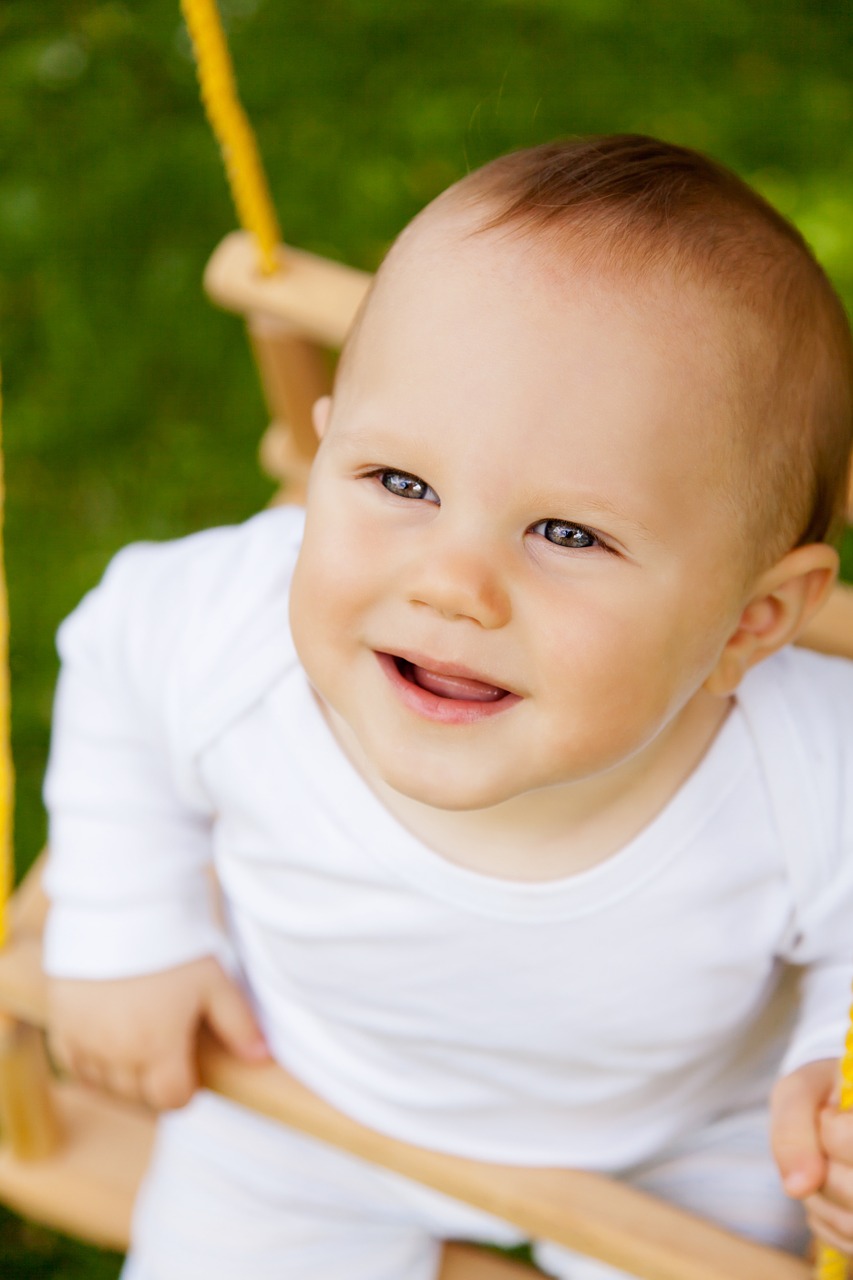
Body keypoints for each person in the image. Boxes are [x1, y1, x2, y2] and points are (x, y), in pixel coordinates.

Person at [43, 134, 853, 1279]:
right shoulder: (229, 634)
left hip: (680, 1139)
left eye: (567, 533)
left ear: (750, 623)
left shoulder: (809, 767)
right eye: (400, 484)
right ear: (325, 459)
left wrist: (832, 1056)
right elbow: (117, 655)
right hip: (301, 1093)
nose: (451, 583)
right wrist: (127, 926)